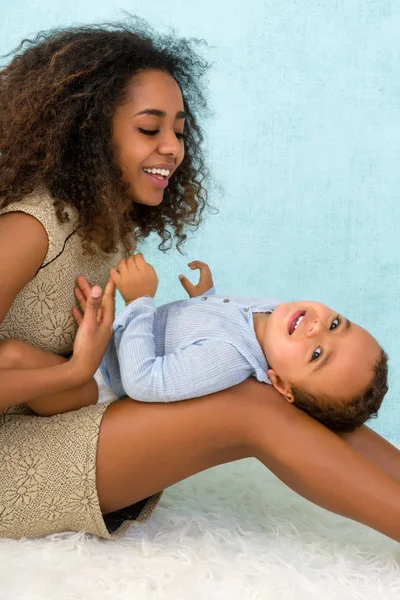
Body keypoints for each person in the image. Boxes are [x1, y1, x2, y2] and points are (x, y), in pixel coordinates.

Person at [1, 20, 400, 544]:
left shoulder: (109, 228)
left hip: (67, 415)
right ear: (91, 132)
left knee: (283, 386)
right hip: (13, 455)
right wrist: (73, 369)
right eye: (150, 129)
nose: (173, 149)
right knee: (252, 403)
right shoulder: (30, 230)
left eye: (180, 131)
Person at [95, 255, 387, 433]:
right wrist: (205, 297)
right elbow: (218, 326)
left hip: (102, 375)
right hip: (105, 337)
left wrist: (139, 301)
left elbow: (144, 381)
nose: (316, 327)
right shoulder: (276, 315)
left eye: (317, 354)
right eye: (335, 324)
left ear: (282, 385)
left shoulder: (229, 358)